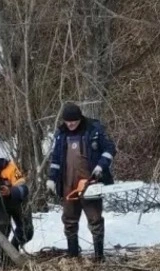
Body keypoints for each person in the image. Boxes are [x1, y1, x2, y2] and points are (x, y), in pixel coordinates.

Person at [46, 102, 116, 262]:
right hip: (67, 183)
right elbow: (56, 158)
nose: (70, 124)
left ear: (80, 118)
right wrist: (52, 178)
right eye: (67, 121)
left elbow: (110, 149)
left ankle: (99, 256)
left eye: (73, 121)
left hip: (90, 183)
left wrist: (100, 167)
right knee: (69, 220)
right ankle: (73, 255)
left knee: (95, 219)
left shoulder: (93, 130)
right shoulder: (61, 134)